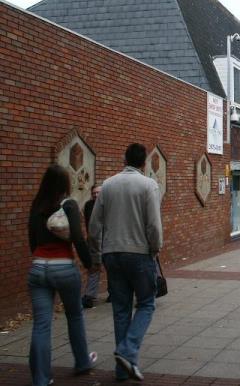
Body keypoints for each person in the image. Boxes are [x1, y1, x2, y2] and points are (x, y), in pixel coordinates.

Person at [89, 143, 162, 382]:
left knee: (120, 311)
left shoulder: (107, 185)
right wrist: (155, 249)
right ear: (144, 163)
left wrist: (97, 253)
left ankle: (123, 369)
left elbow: (94, 225)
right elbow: (153, 224)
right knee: (146, 304)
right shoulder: (148, 185)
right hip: (139, 254)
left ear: (124, 159)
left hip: (112, 254)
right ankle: (127, 351)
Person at [28, 164, 97, 386]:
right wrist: (89, 263)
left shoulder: (36, 206)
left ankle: (40, 378)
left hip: (38, 267)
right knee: (74, 315)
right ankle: (82, 362)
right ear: (65, 184)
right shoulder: (68, 204)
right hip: (63, 267)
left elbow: (32, 240)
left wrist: (40, 259)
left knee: (41, 324)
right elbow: (78, 238)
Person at [81, 185, 104, 308]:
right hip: (93, 241)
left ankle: (113, 293)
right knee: (94, 268)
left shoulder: (108, 204)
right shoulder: (88, 205)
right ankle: (90, 296)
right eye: (94, 193)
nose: (96, 195)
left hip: (107, 240)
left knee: (111, 269)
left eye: (98, 192)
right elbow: (88, 224)